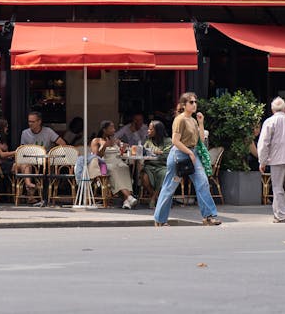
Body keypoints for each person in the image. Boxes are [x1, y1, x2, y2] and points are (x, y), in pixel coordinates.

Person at [152, 92, 222, 227]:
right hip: (179, 155)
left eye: (195, 102)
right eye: (191, 102)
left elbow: (201, 140)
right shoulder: (180, 120)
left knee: (203, 182)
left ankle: (209, 216)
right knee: (169, 187)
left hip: (192, 153)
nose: (194, 104)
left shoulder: (193, 120)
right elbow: (175, 141)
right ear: (184, 105)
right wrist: (189, 152)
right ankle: (160, 219)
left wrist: (201, 123)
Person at [90, 120, 137, 209]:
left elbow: (121, 154)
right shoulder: (96, 141)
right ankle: (129, 196)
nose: (114, 130)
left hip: (118, 162)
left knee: (125, 167)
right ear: (104, 130)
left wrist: (123, 149)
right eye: (111, 128)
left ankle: (126, 200)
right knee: (113, 169)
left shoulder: (116, 141)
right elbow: (96, 156)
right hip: (105, 164)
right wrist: (105, 146)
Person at [141, 120, 172, 207]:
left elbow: (167, 154)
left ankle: (153, 198)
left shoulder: (168, 141)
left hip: (162, 165)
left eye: (151, 130)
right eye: (148, 129)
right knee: (144, 177)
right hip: (149, 165)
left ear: (158, 131)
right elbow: (143, 152)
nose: (148, 131)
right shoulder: (148, 141)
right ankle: (155, 196)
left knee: (164, 174)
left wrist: (160, 153)